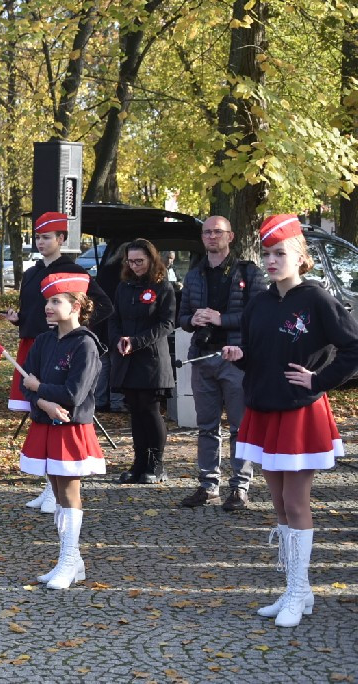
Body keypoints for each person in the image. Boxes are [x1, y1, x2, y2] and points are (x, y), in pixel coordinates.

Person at [222, 214, 358, 627]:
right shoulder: (259, 301)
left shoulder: (317, 299)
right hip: (263, 409)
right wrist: (240, 356)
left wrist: (320, 379)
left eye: (280, 253)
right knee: (278, 502)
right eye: (266, 253)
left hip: (300, 412)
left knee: (296, 502)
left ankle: (299, 590)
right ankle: (296, 588)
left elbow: (352, 348)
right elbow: (256, 353)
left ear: (301, 258)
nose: (271, 260)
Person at [4, 212, 112, 513]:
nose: (41, 242)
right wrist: (21, 320)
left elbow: (104, 305)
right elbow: (34, 312)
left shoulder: (75, 272)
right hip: (39, 347)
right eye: (37, 237)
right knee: (37, 411)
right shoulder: (33, 272)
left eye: (47, 237)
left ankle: (57, 494)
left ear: (61, 239)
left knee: (56, 413)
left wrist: (77, 331)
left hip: (66, 353)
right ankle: (50, 487)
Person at [20, 272, 105, 589]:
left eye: (56, 301)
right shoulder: (43, 341)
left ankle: (69, 560)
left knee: (69, 493)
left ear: (77, 305)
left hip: (70, 429)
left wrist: (40, 388)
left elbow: (74, 394)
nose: (48, 307)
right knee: (56, 492)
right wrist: (43, 403)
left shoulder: (85, 345)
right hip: (46, 424)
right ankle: (72, 561)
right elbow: (23, 384)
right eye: (47, 301)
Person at [178, 216, 266, 510]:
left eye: (218, 232)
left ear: (231, 236)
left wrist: (220, 319)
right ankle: (208, 485)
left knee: (240, 428)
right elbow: (182, 318)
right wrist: (193, 319)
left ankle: (240, 487)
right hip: (203, 358)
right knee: (206, 426)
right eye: (207, 233)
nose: (212, 237)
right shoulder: (193, 274)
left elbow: (258, 316)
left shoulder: (249, 272)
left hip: (236, 359)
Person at [110, 238, 176, 484]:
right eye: (131, 261)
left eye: (140, 261)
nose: (135, 266)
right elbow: (114, 318)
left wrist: (136, 341)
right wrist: (118, 339)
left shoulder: (163, 287)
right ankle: (138, 463)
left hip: (151, 359)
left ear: (151, 260)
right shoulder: (124, 287)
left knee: (150, 410)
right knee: (135, 411)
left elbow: (166, 323)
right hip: (127, 357)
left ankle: (156, 464)